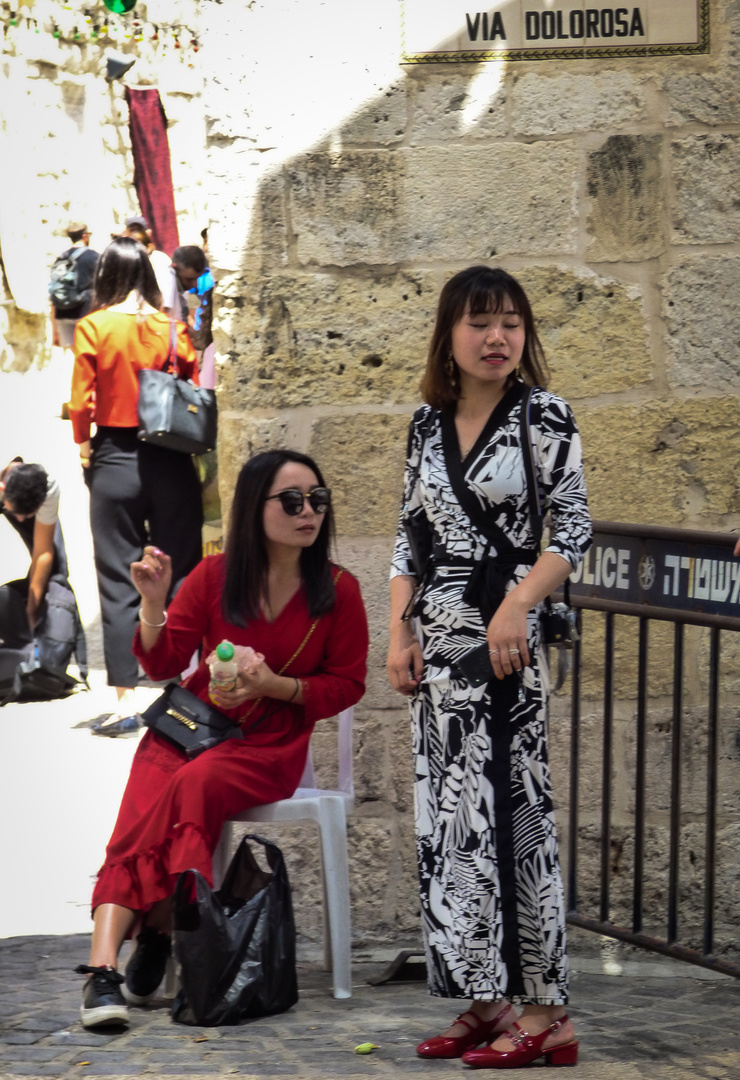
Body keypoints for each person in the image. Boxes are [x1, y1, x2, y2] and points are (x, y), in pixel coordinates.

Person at [75, 448, 369, 1030]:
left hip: (268, 746)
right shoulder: (213, 576)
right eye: (291, 501)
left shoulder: (338, 590)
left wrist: (273, 685)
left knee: (196, 783)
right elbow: (162, 660)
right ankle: (103, 970)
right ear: (253, 509)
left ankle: (163, 923)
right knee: (142, 805)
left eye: (317, 500)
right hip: (193, 727)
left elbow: (346, 686)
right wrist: (153, 603)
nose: (308, 511)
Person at [387, 266, 592, 1069]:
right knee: (450, 826)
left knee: (516, 822)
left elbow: (570, 531)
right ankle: (484, 999)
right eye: (479, 323)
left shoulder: (545, 416)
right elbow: (411, 537)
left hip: (504, 648)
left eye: (510, 322)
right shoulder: (424, 423)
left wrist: (517, 605)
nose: (497, 337)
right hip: (437, 650)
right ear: (449, 335)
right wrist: (398, 629)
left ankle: (548, 1016)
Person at [68, 236, 203, 737]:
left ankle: (125, 701)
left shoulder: (94, 326)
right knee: (183, 571)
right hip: (170, 457)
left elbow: (82, 400)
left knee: (118, 573)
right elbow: (190, 380)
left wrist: (84, 445)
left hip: (116, 458)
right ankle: (186, 685)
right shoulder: (171, 327)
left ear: (105, 275)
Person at [0, 459, 62, 628]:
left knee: (54, 571)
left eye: (26, 515)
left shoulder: (47, 487)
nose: (20, 520)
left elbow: (43, 553)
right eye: (16, 513)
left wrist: (31, 612)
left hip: (21, 493)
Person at [49, 222, 99, 351]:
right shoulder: (93, 257)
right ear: (85, 236)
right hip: (85, 313)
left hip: (62, 314)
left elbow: (53, 292)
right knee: (87, 355)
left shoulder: (61, 258)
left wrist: (55, 329)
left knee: (73, 356)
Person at [122, 214, 171, 299]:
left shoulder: (160, 259)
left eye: (139, 230)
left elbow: (166, 296)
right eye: (131, 230)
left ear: (148, 232)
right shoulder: (121, 258)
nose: (134, 234)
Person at [161, 244, 207, 325]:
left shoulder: (191, 290)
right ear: (175, 267)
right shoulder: (168, 279)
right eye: (189, 279)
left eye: (197, 278)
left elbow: (192, 317)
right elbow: (162, 314)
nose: (195, 284)